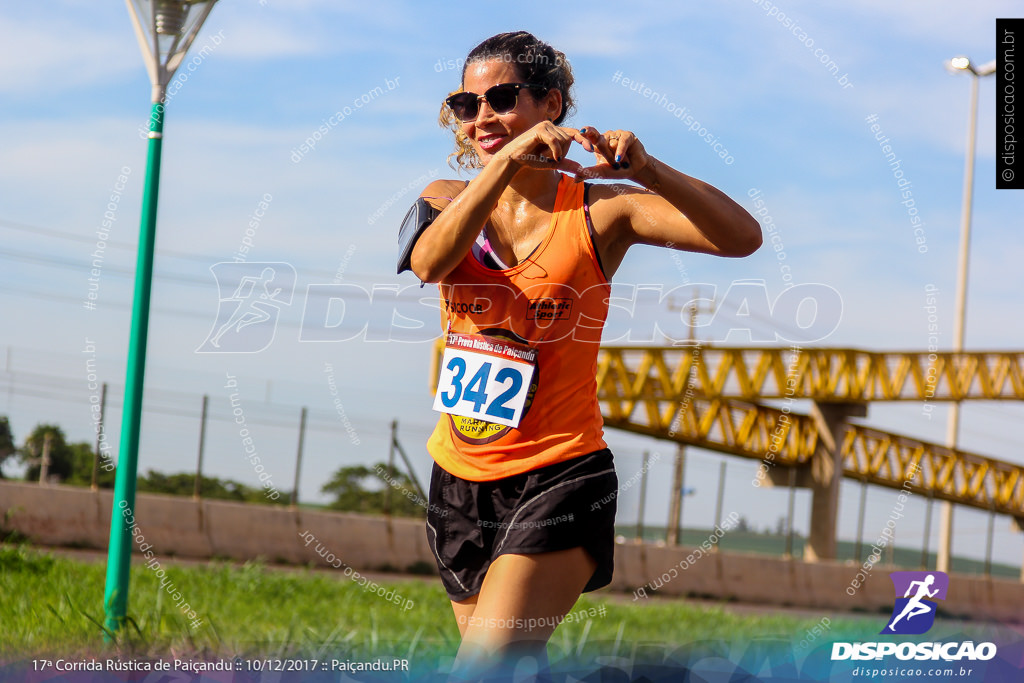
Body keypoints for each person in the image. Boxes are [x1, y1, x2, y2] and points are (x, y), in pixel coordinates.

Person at [405, 31, 761, 679]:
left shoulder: (602, 209)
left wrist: (649, 171)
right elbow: (429, 263)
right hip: (457, 478)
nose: (483, 116)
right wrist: (506, 163)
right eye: (466, 103)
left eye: (503, 98)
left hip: (560, 475)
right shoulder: (446, 198)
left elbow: (742, 238)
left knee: (480, 669)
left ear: (553, 103)